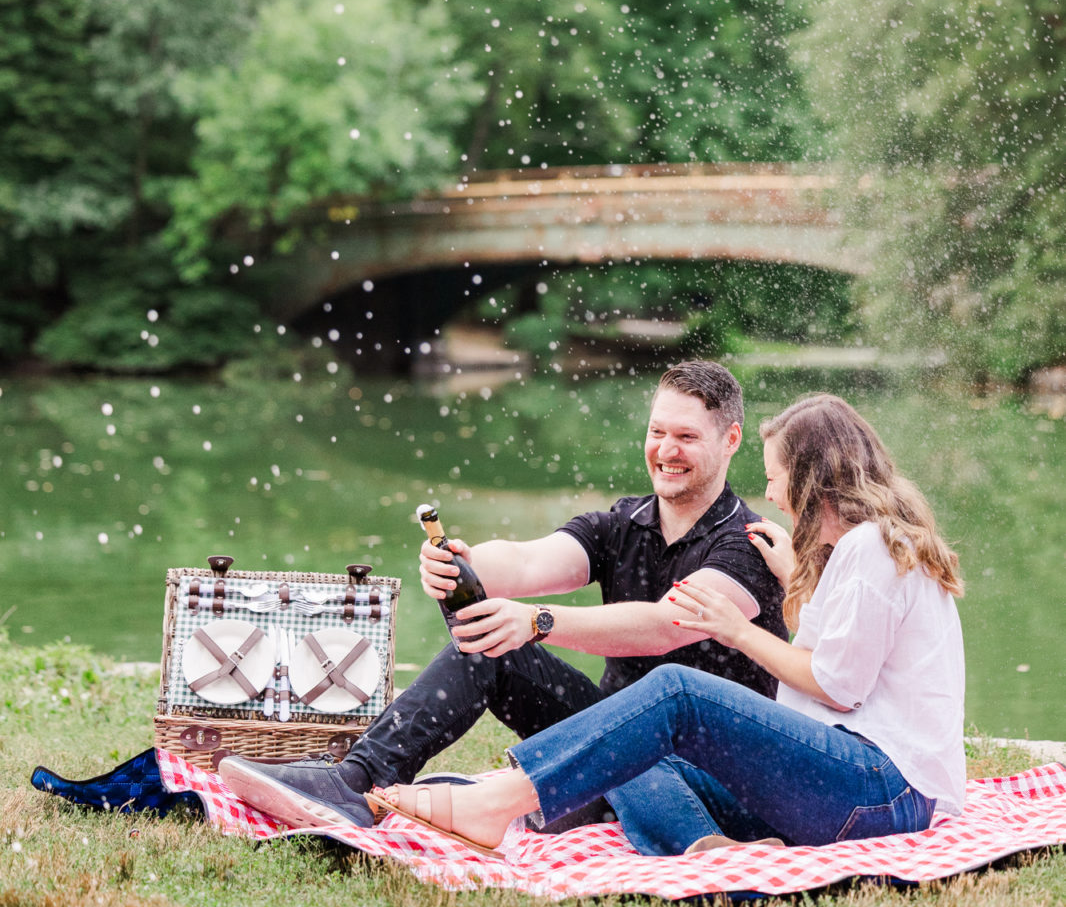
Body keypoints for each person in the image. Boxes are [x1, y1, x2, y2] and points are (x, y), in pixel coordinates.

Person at [373, 394, 966, 858]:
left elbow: (837, 683)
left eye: (778, 475)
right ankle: (705, 852)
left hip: (880, 791)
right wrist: (467, 563)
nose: (773, 492)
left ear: (811, 478)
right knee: (630, 751)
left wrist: (735, 629)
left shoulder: (870, 547)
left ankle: (495, 804)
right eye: (659, 432)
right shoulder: (864, 551)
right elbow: (848, 653)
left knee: (674, 690)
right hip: (847, 789)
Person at [220, 360, 787, 844]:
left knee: (521, 637)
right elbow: (528, 561)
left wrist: (539, 621)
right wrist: (461, 564)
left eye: (686, 437)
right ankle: (356, 779)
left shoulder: (750, 543)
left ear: (730, 440)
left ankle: (585, 801)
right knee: (489, 642)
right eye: (657, 431)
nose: (666, 450)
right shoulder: (622, 522)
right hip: (606, 742)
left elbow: (667, 626)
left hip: (709, 770)